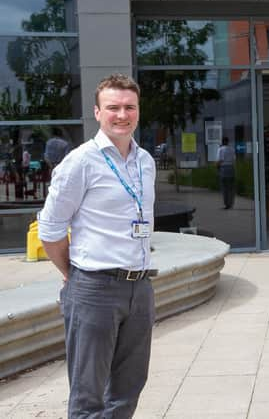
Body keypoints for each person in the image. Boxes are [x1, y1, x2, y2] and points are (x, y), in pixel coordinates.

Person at [38, 73, 156, 418]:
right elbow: (51, 228)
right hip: (94, 287)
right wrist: (71, 274)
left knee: (128, 389)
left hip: (140, 287)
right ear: (97, 112)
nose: (122, 114)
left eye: (129, 107)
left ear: (138, 110)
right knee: (89, 395)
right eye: (113, 107)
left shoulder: (145, 162)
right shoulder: (80, 162)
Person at [216, 136, 235, 209]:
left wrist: (217, 168)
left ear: (222, 142)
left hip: (223, 169)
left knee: (224, 188)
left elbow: (219, 160)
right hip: (231, 168)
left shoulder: (220, 149)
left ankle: (227, 204)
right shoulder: (232, 149)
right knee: (231, 188)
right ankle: (231, 203)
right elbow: (234, 160)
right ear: (228, 142)